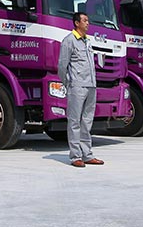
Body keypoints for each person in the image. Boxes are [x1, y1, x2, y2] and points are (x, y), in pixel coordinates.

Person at [57, 12, 103, 168]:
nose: (87, 23)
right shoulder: (69, 41)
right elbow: (62, 66)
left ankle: (87, 155)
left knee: (87, 121)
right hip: (77, 86)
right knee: (74, 121)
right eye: (84, 20)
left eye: (88, 20)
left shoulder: (87, 41)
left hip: (91, 85)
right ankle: (75, 156)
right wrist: (69, 83)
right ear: (77, 23)